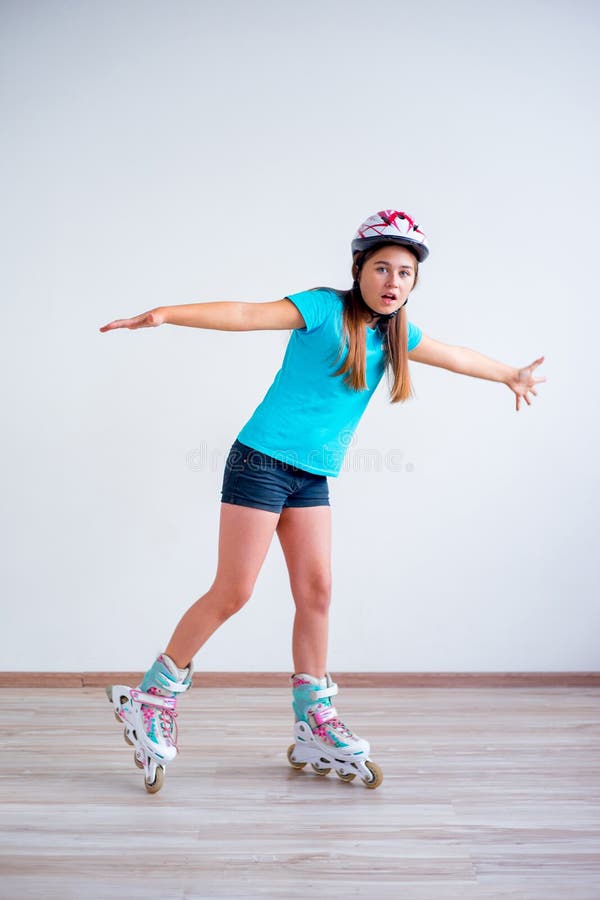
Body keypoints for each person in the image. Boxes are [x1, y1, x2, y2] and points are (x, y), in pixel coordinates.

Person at [99, 209, 546, 793]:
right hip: (261, 462)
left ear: (414, 282)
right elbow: (247, 314)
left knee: (317, 591)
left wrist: (510, 373)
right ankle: (153, 695)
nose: (392, 281)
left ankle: (314, 717)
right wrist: (166, 314)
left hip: (311, 477)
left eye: (405, 273)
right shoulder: (322, 308)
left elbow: (456, 355)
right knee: (234, 591)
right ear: (358, 269)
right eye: (381, 268)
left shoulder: (396, 335)